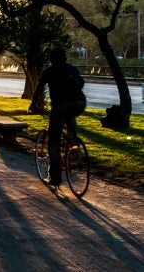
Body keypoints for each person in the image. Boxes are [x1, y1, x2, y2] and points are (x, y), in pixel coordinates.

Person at [29, 47, 86, 187]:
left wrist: (33, 104)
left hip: (60, 107)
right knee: (71, 121)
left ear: (51, 59)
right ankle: (74, 148)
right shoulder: (72, 69)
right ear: (65, 58)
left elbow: (38, 89)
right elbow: (81, 84)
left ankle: (55, 177)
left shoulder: (49, 71)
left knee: (53, 143)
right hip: (79, 103)